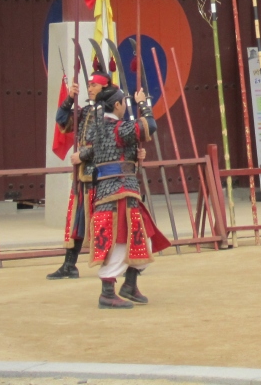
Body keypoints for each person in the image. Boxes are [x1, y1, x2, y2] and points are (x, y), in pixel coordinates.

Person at [86, 84, 170, 308]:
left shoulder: (98, 128)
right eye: (124, 102)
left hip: (120, 191)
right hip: (118, 192)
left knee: (144, 239)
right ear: (116, 104)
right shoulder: (118, 128)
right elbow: (149, 125)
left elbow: (116, 152)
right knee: (120, 241)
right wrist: (143, 103)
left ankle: (130, 284)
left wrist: (134, 155)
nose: (126, 105)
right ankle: (107, 293)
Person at [47, 67, 108, 280]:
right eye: (89, 85)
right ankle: (69, 265)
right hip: (83, 177)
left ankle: (123, 264)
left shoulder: (109, 113)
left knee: (106, 221)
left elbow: (106, 143)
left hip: (102, 177)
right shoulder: (86, 112)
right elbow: (62, 119)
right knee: (77, 221)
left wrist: (83, 155)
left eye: (94, 85)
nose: (90, 88)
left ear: (105, 87)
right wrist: (69, 99)